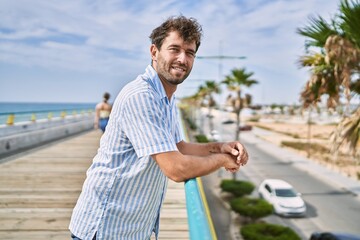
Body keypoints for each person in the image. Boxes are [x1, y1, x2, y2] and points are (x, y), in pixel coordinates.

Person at [69, 15, 249, 240]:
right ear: (154, 52)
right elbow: (176, 169)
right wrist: (223, 161)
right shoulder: (141, 95)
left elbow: (179, 147)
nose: (183, 59)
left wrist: (220, 147)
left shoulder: (166, 97)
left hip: (132, 229)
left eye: (190, 53)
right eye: (175, 49)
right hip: (105, 227)